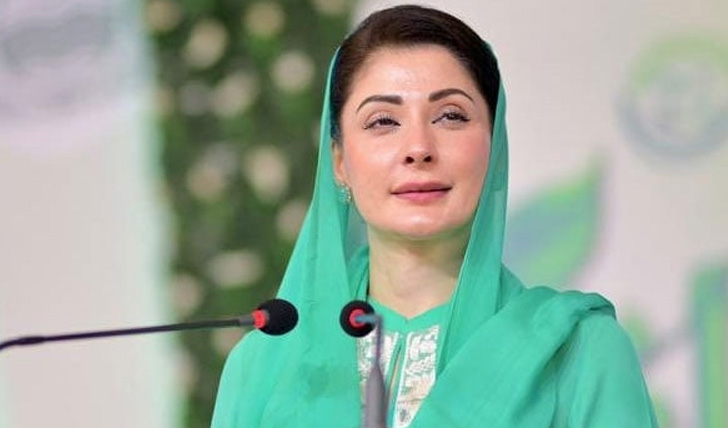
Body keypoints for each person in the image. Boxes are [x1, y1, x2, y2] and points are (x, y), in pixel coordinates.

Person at [211, 5, 658, 427]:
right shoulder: (264, 364)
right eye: (383, 121)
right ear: (339, 162)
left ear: (493, 147)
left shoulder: (578, 350)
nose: (418, 148)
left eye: (450, 116)